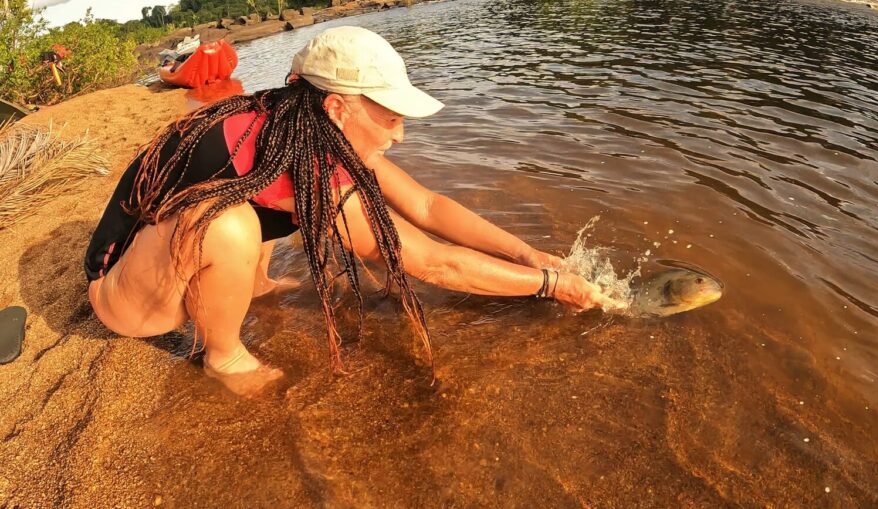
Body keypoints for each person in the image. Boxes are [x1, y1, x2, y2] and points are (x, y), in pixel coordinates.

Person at [84, 26, 618, 395]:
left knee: (244, 208)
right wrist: (551, 285)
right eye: (390, 117)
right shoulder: (309, 159)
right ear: (339, 107)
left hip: (156, 255)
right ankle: (223, 355)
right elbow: (430, 261)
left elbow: (427, 206)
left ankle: (255, 285)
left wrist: (529, 253)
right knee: (228, 223)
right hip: (125, 296)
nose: (401, 133)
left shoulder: (302, 122)